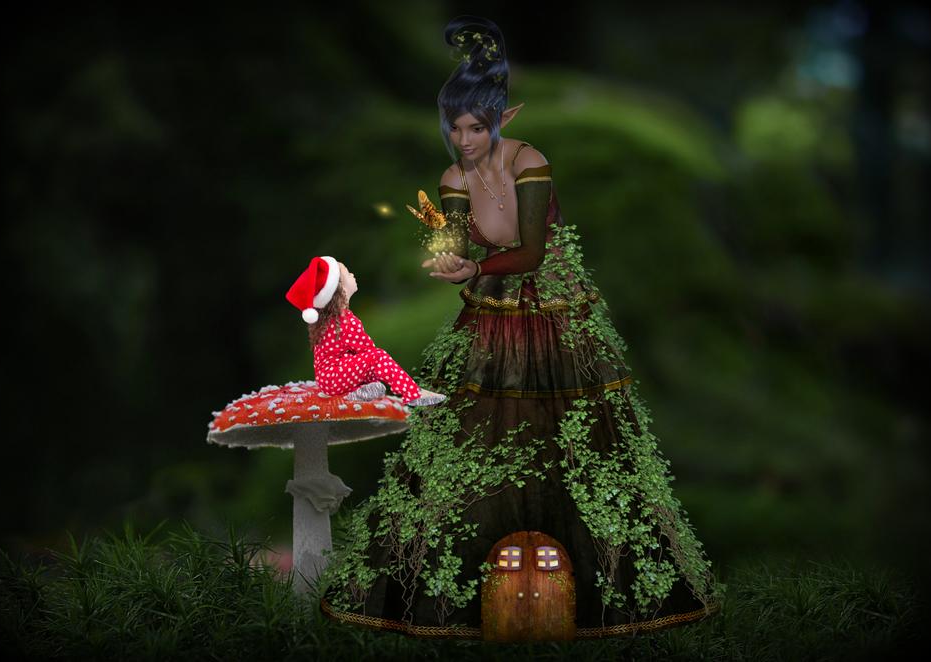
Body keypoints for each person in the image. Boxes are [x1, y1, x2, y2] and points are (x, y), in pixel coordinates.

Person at [320, 16, 725, 639]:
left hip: (553, 314)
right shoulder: (453, 178)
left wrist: (473, 264)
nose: (463, 139)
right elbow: (455, 248)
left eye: (475, 126)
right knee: (470, 431)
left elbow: (531, 250)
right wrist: (450, 261)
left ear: (501, 119)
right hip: (490, 313)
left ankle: (609, 588)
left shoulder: (530, 160)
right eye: (454, 128)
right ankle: (432, 592)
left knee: (577, 438)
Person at [285, 255, 446, 407]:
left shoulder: (328, 321)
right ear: (339, 287)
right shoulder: (344, 321)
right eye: (347, 273)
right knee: (378, 357)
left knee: (372, 376)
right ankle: (413, 394)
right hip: (334, 377)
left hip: (328, 379)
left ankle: (359, 392)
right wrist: (382, 369)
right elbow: (368, 351)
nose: (352, 274)